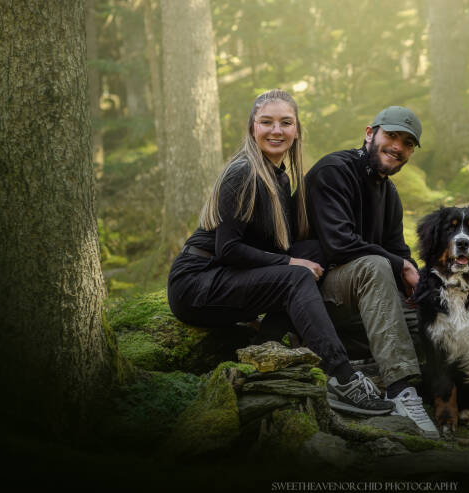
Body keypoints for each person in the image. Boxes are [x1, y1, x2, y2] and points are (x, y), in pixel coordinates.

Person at [167, 89, 393, 416]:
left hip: (226, 277)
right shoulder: (243, 172)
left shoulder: (278, 176)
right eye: (267, 122)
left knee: (317, 250)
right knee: (296, 275)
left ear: (297, 130)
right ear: (252, 128)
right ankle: (343, 377)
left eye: (286, 123)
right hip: (196, 284)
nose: (277, 130)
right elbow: (228, 249)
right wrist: (290, 262)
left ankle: (263, 349)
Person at [305, 106, 439, 438]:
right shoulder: (333, 171)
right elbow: (338, 245)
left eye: (407, 143)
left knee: (435, 315)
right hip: (316, 296)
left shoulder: (389, 194)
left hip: (367, 299)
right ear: (370, 133)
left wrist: (425, 290)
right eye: (391, 136)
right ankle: (399, 392)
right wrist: (400, 266)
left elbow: (400, 253)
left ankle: (463, 394)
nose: (398, 147)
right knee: (376, 266)